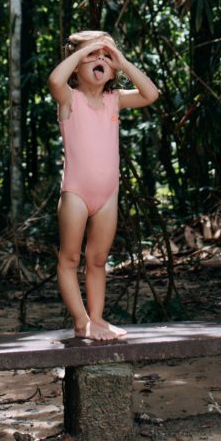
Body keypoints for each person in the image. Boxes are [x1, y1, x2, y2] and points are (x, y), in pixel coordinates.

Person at [48, 30, 159, 341]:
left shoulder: (114, 100)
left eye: (105, 56)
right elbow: (55, 80)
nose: (100, 59)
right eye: (92, 55)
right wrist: (82, 53)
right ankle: (81, 321)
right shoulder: (70, 99)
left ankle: (97, 318)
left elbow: (151, 94)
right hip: (76, 194)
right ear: (76, 65)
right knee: (70, 259)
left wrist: (120, 60)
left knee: (97, 260)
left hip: (108, 195)